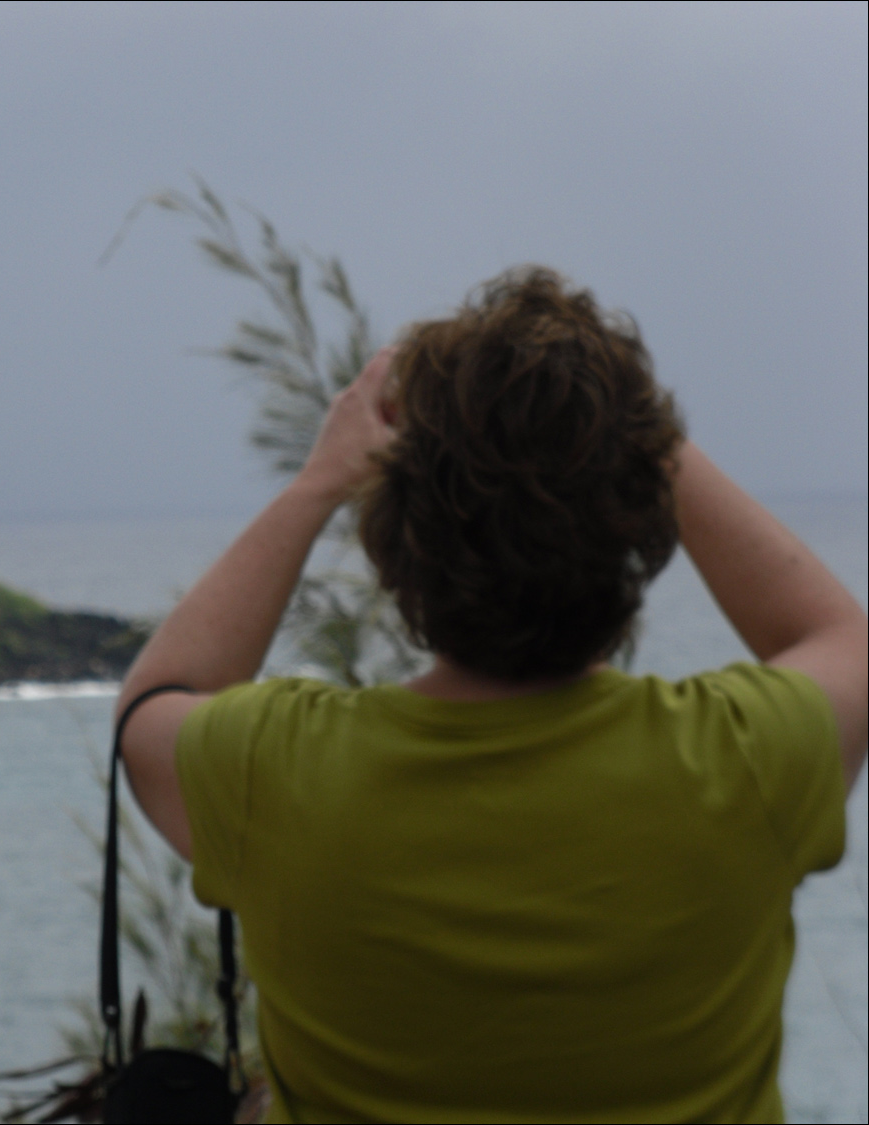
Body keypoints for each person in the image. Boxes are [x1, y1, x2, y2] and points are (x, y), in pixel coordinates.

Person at [114, 267, 867, 1124]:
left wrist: (316, 481)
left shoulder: (280, 775)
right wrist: (632, 424)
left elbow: (158, 699)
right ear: (641, 509)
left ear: (395, 541)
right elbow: (843, 640)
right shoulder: (749, 759)